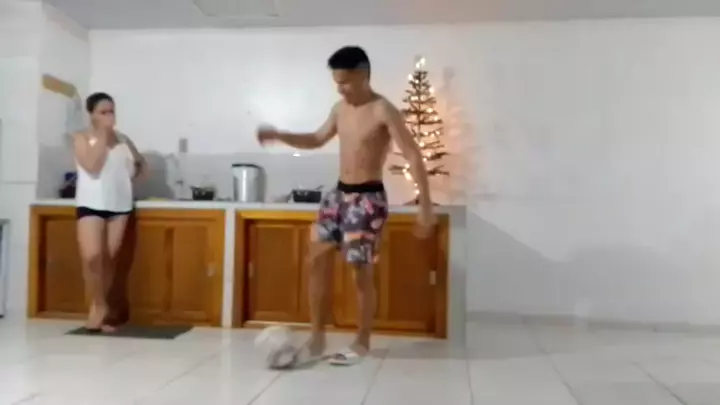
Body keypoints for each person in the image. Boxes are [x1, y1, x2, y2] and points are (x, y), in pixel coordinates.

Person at [257, 46, 436, 366]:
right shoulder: (339, 109)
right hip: (337, 196)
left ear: (364, 75)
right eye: (336, 82)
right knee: (315, 258)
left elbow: (412, 153)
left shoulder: (383, 110)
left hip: (367, 199)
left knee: (360, 272)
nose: (340, 89)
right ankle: (317, 337)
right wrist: (281, 135)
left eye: (345, 82)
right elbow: (316, 139)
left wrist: (425, 206)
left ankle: (362, 341)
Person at [73, 92, 147, 332]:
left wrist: (132, 176)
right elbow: (92, 166)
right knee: (92, 257)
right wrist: (104, 134)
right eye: (103, 112)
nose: (109, 116)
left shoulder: (124, 139)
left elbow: (140, 164)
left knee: (109, 259)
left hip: (120, 206)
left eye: (111, 111)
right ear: (91, 114)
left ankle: (99, 312)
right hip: (90, 204)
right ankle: (100, 306)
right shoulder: (82, 138)